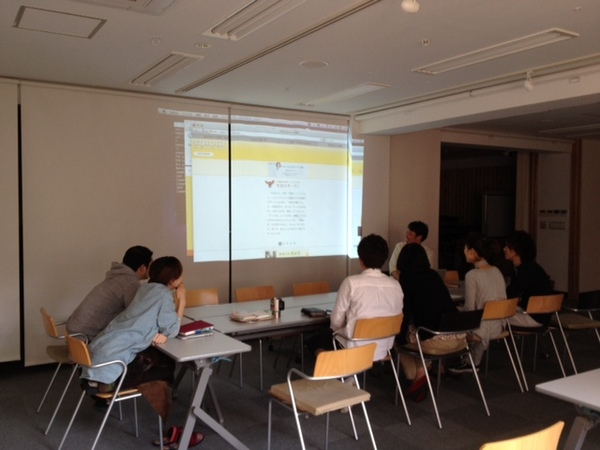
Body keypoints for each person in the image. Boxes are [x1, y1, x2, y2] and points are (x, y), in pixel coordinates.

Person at [305, 234, 403, 361]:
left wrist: (342, 328)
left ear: (361, 260)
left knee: (313, 341)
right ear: (384, 259)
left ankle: (335, 367)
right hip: (383, 349)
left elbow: (336, 321)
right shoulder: (396, 285)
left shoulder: (351, 283)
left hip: (354, 348)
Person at [395, 243, 462, 402]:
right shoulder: (433, 275)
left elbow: (406, 311)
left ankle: (417, 376)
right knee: (414, 336)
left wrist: (398, 337)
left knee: (397, 340)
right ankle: (423, 371)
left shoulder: (406, 277)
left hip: (434, 339)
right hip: (459, 337)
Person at [67, 245, 153, 341]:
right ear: (142, 267)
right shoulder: (130, 282)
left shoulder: (116, 275)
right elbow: (136, 315)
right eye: (151, 266)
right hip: (85, 337)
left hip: (73, 331)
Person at [449, 233, 506, 374]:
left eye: (465, 248)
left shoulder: (472, 275)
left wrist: (457, 309)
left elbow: (469, 309)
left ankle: (454, 361)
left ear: (472, 252)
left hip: (481, 328)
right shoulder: (497, 271)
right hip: (499, 325)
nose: (463, 251)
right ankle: (471, 360)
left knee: (449, 318)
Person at [504, 230, 554, 327]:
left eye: (507, 247)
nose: (504, 249)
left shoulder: (526, 270)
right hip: (540, 314)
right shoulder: (530, 267)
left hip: (534, 316)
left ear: (516, 251)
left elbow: (511, 294)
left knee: (493, 316)